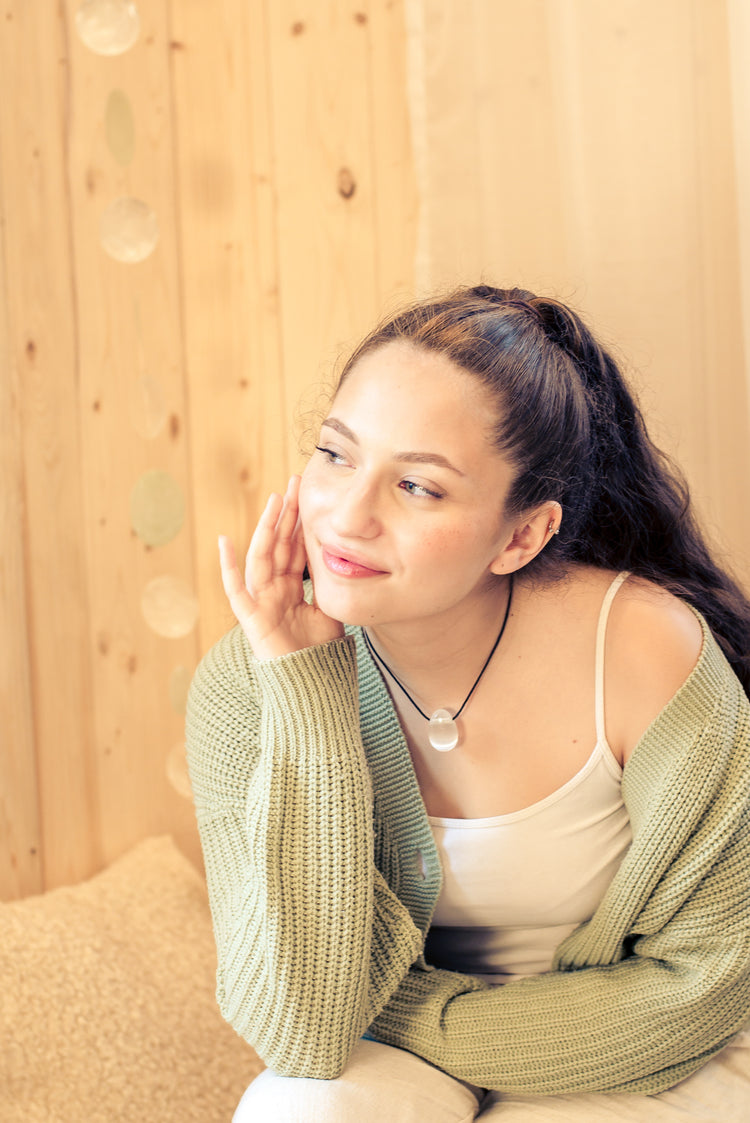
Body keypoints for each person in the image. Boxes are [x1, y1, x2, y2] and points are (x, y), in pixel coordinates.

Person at [185, 285, 750, 1121]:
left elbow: (699, 989)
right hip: (408, 1060)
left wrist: (419, 1014)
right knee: (298, 1107)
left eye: (417, 486)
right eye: (336, 454)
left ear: (522, 534)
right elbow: (302, 1032)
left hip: (653, 1050)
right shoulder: (250, 678)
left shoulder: (642, 648)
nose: (346, 515)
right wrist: (308, 688)